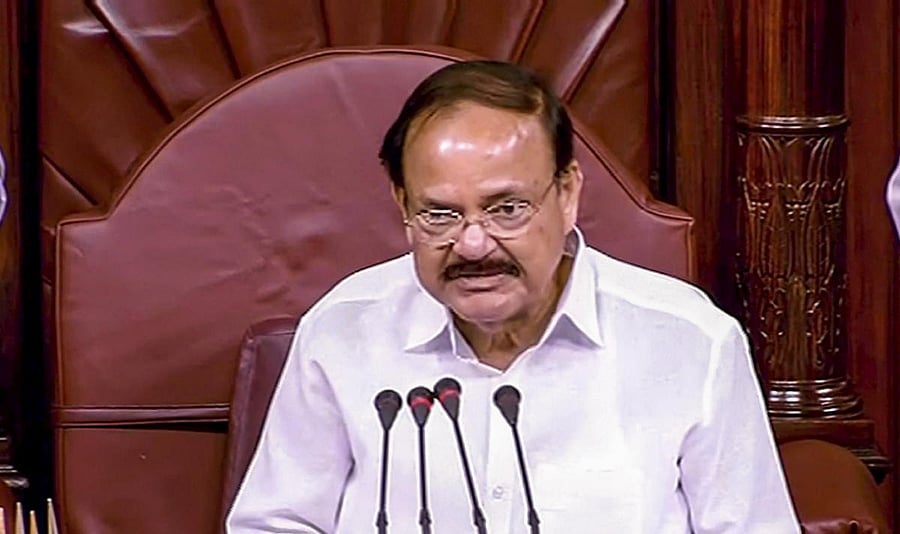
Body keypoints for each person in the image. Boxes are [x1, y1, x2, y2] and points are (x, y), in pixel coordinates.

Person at [227, 60, 799, 533]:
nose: (473, 245)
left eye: (507, 208)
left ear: (568, 192)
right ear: (402, 205)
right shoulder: (343, 330)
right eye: (440, 214)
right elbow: (274, 524)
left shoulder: (691, 343)